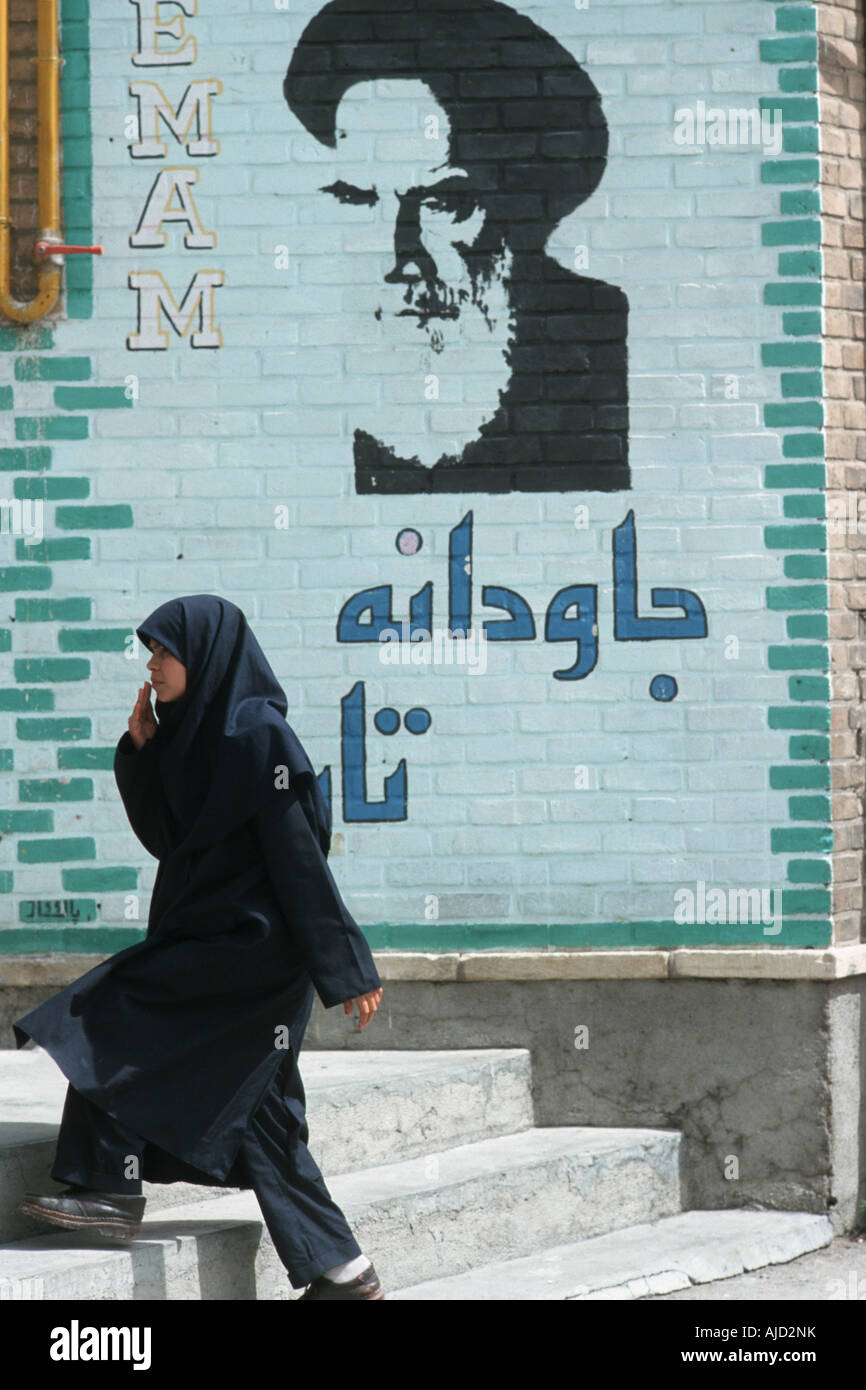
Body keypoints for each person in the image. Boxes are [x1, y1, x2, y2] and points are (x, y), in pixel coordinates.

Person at [13, 594, 386, 1301]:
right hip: (208, 937)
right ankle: (346, 1274)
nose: (151, 667)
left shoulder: (259, 738)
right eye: (150, 653)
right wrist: (144, 754)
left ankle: (110, 1188)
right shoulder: (198, 733)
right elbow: (167, 839)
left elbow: (299, 860)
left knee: (109, 1014)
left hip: (250, 953)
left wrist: (346, 967)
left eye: (163, 652)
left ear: (204, 655)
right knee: (257, 1110)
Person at [283, 0, 629, 495]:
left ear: (511, 209)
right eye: (359, 199)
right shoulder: (304, 373)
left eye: (442, 202)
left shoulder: (592, 350)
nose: (402, 259)